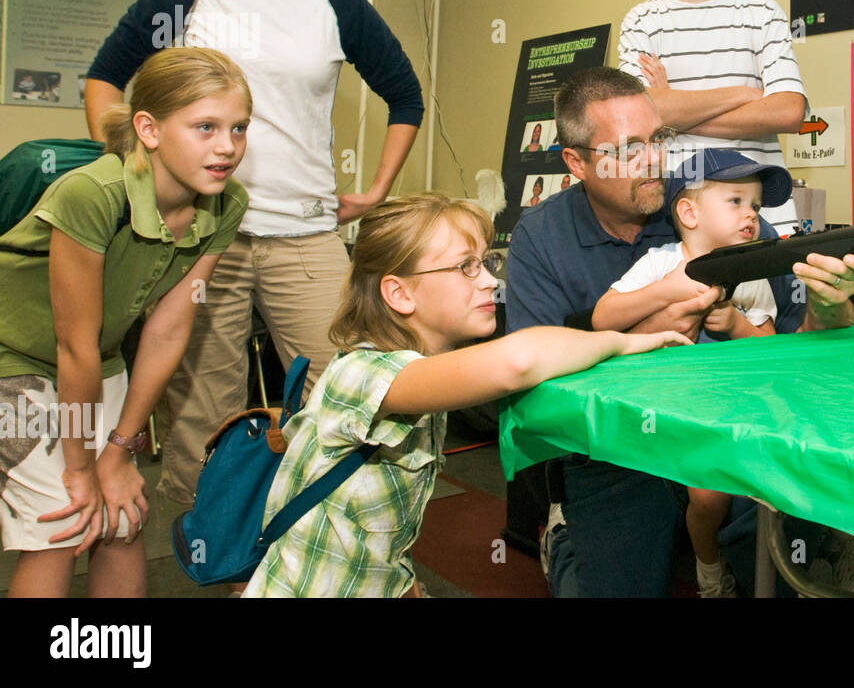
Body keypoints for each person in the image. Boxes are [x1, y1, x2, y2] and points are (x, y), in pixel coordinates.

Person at [82, 0, 425, 509]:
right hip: (206, 238)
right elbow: (104, 78)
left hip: (305, 236)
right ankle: (221, 563)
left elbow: (405, 94)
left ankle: (323, 549)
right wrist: (134, 172)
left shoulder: (336, 0)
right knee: (203, 420)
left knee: (354, 395)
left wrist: (378, 189)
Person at [506, 67, 854, 597]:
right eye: (628, 148)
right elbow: (533, 387)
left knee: (772, 575)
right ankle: (564, 538)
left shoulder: (725, 218)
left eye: (658, 139)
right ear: (576, 161)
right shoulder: (540, 239)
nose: (654, 160)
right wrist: (654, 326)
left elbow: (801, 349)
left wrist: (831, 307)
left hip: (733, 430)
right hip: (615, 448)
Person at [242, 194, 686, 597]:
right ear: (399, 293)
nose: (489, 282)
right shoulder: (363, 372)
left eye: (486, 263)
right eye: (464, 267)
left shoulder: (422, 377)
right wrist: (623, 340)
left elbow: (374, 522)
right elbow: (517, 361)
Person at [0, 47, 251, 597]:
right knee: (67, 521)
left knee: (121, 518)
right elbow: (74, 346)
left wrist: (118, 452)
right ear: (149, 129)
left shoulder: (226, 204)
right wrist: (82, 468)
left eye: (239, 128)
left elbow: (166, 329)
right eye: (205, 127)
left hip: (98, 358)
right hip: (14, 358)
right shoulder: (93, 193)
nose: (227, 146)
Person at [593, 149, 791, 596]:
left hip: (735, 403)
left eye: (756, 207)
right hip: (672, 404)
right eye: (736, 201)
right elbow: (603, 317)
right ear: (689, 211)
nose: (752, 216)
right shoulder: (661, 263)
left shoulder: (752, 273)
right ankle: (708, 569)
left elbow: (774, 352)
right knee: (709, 496)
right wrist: (667, 290)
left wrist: (739, 325)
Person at [618, 0, 806, 234]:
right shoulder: (641, 21)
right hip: (678, 223)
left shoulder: (762, 12)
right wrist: (745, 96)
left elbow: (788, 111)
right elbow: (639, 119)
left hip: (764, 219)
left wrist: (672, 109)